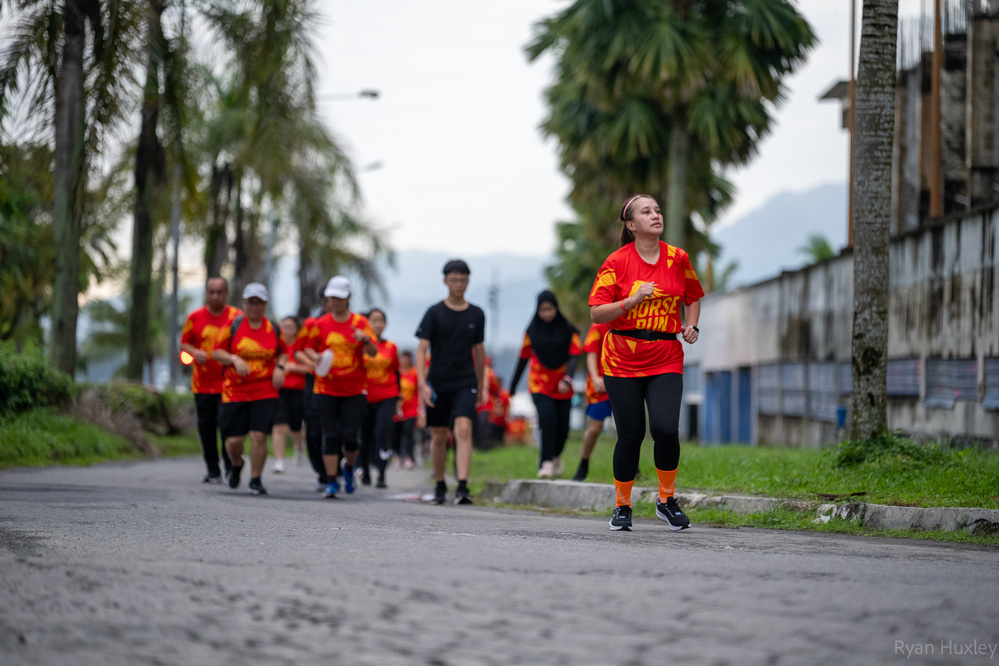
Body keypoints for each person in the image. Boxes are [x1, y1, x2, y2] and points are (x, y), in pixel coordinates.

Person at [589, 194, 703, 532]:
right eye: (646, 211)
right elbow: (597, 313)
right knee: (631, 434)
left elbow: (693, 296)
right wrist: (632, 299)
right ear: (631, 224)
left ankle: (666, 501)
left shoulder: (677, 258)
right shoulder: (616, 262)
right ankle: (622, 506)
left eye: (657, 210)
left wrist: (692, 325)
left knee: (666, 429)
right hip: (622, 359)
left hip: (666, 355)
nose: (655, 215)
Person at [416, 259, 487, 505]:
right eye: (454, 280)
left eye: (463, 280)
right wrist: (422, 383)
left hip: (465, 381)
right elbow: (422, 349)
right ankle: (439, 484)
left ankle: (463, 486)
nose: (459, 284)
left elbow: (479, 351)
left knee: (463, 429)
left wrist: (482, 384)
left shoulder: (477, 314)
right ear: (445, 281)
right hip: (438, 381)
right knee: (438, 434)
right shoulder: (434, 313)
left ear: (468, 281)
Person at [211, 283, 288, 496]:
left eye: (259, 302)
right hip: (235, 391)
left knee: (258, 436)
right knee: (233, 440)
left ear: (265, 305)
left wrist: (280, 368)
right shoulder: (233, 325)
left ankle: (255, 479)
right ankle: (237, 464)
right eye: (250, 302)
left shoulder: (273, 328)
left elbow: (283, 352)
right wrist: (234, 358)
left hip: (264, 390)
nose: (254, 306)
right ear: (244, 303)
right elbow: (216, 352)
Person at [306, 275, 377, 499]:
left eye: (340, 298)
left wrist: (366, 340)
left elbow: (373, 352)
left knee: (351, 437)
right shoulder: (320, 324)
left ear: (348, 298)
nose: (335, 302)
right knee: (330, 435)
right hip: (325, 388)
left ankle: (348, 467)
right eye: (332, 298)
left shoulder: (360, 323)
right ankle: (331, 481)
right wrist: (315, 358)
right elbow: (308, 347)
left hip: (354, 390)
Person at [508, 290, 581, 479]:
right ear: (537, 311)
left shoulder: (569, 330)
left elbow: (574, 355)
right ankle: (546, 462)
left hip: (563, 383)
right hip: (539, 383)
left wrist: (568, 378)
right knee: (547, 420)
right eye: (543, 310)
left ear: (556, 308)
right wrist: (512, 386)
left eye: (550, 309)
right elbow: (523, 358)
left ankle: (555, 456)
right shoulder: (531, 332)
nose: (547, 313)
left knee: (563, 427)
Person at [179, 276, 242, 483]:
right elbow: (184, 343)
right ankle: (213, 470)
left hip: (229, 385)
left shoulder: (236, 317)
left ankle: (231, 467)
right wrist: (194, 352)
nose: (215, 296)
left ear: (226, 293)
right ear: (206, 293)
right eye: (211, 292)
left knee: (227, 427)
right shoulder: (195, 317)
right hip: (202, 385)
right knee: (206, 428)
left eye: (219, 292)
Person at [295, 291, 331, 492]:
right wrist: (312, 363)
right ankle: (322, 473)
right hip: (314, 382)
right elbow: (298, 350)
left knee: (338, 430)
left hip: (340, 385)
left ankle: (338, 469)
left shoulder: (353, 323)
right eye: (331, 299)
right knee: (314, 430)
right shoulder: (311, 323)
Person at [360, 308, 400, 488]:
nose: (377, 324)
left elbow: (396, 371)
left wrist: (399, 396)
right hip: (365, 396)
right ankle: (365, 470)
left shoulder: (391, 347)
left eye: (381, 320)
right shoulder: (360, 347)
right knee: (365, 435)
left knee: (382, 433)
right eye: (373, 320)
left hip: (387, 395)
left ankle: (382, 473)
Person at [572, 321, 612, 482]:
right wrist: (595, 377)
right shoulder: (600, 324)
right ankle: (583, 463)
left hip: (624, 381)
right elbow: (591, 353)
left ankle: (633, 468)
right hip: (600, 386)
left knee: (629, 429)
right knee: (595, 428)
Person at [271, 316, 309, 474]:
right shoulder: (277, 345)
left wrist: (293, 367)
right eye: (284, 327)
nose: (287, 331)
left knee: (296, 427)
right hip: (279, 390)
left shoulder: (301, 347)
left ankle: (299, 447)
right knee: (279, 425)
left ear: (296, 329)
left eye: (290, 327)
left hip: (299, 390)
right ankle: (279, 461)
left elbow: (311, 367)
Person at [394, 350, 419, 469]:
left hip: (411, 410)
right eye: (403, 358)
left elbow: (418, 391)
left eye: (407, 358)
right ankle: (398, 456)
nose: (404, 361)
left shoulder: (414, 373)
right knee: (396, 434)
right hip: (397, 410)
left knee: (408, 433)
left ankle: (409, 456)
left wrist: (420, 409)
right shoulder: (396, 373)